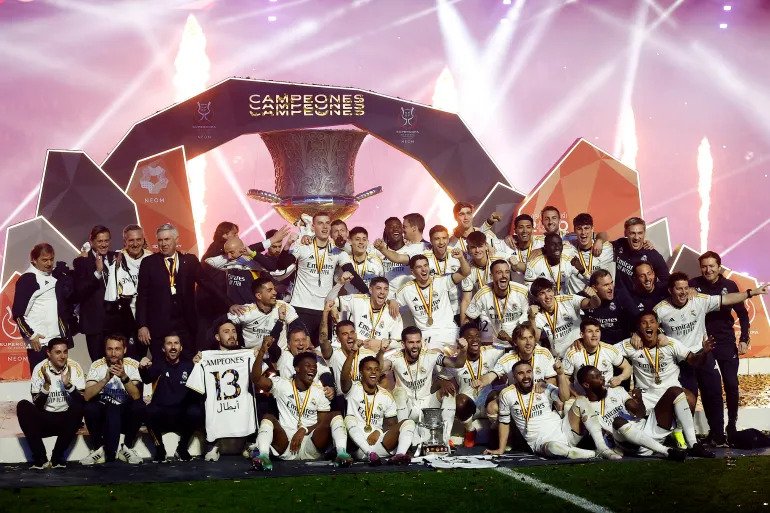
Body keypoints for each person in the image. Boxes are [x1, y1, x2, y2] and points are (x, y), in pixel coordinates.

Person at [654, 272, 767, 446]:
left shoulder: (699, 300)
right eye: (679, 289)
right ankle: (685, 438)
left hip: (704, 354)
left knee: (714, 394)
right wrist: (650, 335)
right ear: (670, 290)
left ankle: (717, 436)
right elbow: (647, 326)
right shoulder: (660, 310)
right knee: (687, 399)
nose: (683, 292)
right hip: (681, 361)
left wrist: (751, 293)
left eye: (686, 288)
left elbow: (727, 299)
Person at [618, 311, 717, 457]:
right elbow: (607, 352)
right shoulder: (631, 345)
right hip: (646, 396)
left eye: (652, 322)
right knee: (626, 415)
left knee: (688, 397)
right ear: (638, 327)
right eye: (644, 323)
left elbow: (694, 361)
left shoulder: (670, 343)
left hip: (672, 393)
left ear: (658, 325)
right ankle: (663, 437)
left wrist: (705, 352)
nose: (648, 326)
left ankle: (684, 436)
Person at [484, 359, 618, 460]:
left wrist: (560, 374)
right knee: (553, 447)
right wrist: (501, 449)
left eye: (529, 372)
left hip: (564, 430)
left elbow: (564, 397)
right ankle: (592, 454)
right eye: (520, 373)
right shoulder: (507, 394)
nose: (526, 376)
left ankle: (602, 448)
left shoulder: (542, 387)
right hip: (541, 442)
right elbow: (504, 422)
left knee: (581, 401)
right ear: (514, 377)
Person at [250, 338, 352, 470]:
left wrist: (304, 429)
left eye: (315, 367)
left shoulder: (320, 391)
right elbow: (256, 379)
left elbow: (321, 423)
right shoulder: (282, 385)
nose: (313, 369)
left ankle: (342, 453)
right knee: (268, 417)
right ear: (297, 368)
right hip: (285, 443)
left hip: (310, 444)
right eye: (308, 366)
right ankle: (263, 456)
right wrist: (262, 351)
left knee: (336, 415)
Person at [690, 251, 751, 439]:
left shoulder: (730, 285)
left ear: (719, 267)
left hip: (725, 342)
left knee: (731, 384)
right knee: (709, 388)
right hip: (703, 344)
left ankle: (731, 425)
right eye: (704, 266)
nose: (708, 270)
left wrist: (744, 339)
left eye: (711, 266)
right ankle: (715, 430)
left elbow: (743, 315)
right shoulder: (693, 285)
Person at [379, 326, 469, 446]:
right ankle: (402, 439)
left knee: (449, 393)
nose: (415, 346)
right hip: (407, 406)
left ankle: (444, 440)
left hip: (427, 404)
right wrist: (381, 352)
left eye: (418, 342)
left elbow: (457, 363)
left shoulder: (430, 355)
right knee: (399, 392)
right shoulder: (395, 358)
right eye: (411, 342)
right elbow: (379, 368)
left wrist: (463, 350)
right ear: (403, 344)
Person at [288, 212, 369, 345]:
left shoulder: (338, 252)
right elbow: (281, 265)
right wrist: (288, 244)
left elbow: (351, 273)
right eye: (320, 223)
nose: (325, 227)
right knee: (301, 350)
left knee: (324, 349)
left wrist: (367, 292)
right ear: (313, 227)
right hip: (301, 307)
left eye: (327, 223)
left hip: (324, 309)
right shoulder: (303, 247)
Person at [185, 318, 260, 462]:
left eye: (234, 331)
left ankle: (250, 442)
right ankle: (212, 444)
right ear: (217, 337)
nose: (231, 335)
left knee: (258, 402)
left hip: (241, 402)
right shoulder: (206, 357)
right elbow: (196, 387)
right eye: (226, 332)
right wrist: (197, 363)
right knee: (200, 404)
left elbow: (260, 377)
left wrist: (259, 357)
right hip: (219, 404)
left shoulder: (247, 355)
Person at [576, 366, 688, 460]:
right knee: (618, 421)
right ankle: (667, 451)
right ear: (586, 385)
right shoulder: (585, 406)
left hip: (647, 430)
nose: (602, 377)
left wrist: (639, 400)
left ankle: (693, 444)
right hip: (630, 444)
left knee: (674, 391)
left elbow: (640, 414)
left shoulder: (617, 391)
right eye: (597, 377)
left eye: (601, 374)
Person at [17, 338, 85, 469]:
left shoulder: (74, 367)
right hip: (45, 418)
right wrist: (46, 386)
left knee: (78, 407)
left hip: (66, 421)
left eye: (65, 352)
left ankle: (57, 458)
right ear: (49, 353)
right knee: (23, 406)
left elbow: (82, 400)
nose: (62, 356)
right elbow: (37, 404)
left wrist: (69, 386)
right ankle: (40, 459)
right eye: (58, 352)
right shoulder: (40, 368)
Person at [136, 223, 200, 360]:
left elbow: (207, 283)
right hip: (159, 327)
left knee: (189, 362)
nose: (163, 244)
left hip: (186, 325)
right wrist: (142, 325)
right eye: (160, 240)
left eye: (167, 239)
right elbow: (142, 297)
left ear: (176, 240)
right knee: (160, 365)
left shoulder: (189, 260)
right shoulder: (148, 263)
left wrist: (229, 304)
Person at [81, 334, 145, 465]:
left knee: (139, 406)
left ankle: (127, 447)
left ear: (124, 350)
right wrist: (105, 379)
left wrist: (123, 376)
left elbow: (136, 395)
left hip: (125, 412)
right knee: (89, 407)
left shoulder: (133, 365)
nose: (113, 353)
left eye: (117, 349)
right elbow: (87, 396)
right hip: (104, 411)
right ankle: (98, 449)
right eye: (110, 349)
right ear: (105, 350)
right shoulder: (97, 365)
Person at [341, 353, 416, 464]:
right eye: (369, 369)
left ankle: (400, 455)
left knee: (408, 422)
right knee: (349, 419)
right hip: (359, 447)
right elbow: (343, 377)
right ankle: (369, 454)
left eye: (376, 369)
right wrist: (352, 353)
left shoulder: (386, 396)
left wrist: (379, 432)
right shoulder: (353, 389)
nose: (373, 372)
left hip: (379, 443)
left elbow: (391, 425)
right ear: (361, 372)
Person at [139, 333, 203, 462]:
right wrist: (142, 368)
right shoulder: (158, 365)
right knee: (148, 410)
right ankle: (160, 450)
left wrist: (201, 364)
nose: (173, 347)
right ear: (163, 348)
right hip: (162, 416)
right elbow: (146, 379)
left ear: (181, 347)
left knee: (196, 411)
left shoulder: (189, 366)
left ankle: (182, 449)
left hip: (182, 416)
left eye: (176, 343)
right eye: (169, 343)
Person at [13, 243, 74, 372]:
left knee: (60, 379)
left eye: (51, 259)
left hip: (57, 341)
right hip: (39, 343)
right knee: (41, 380)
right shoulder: (28, 279)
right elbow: (18, 314)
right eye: (44, 260)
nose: (49, 263)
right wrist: (32, 335)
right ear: (34, 260)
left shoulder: (55, 276)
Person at [378, 225, 462, 317]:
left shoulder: (457, 255)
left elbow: (466, 273)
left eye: (444, 238)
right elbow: (398, 258)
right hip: (435, 310)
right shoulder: (423, 257)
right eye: (437, 239)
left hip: (456, 309)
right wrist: (382, 249)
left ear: (448, 239)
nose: (441, 242)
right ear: (431, 241)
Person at [444, 324, 505, 447]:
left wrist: (508, 339)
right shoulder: (455, 361)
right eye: (469, 337)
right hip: (468, 403)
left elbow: (514, 351)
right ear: (461, 340)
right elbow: (442, 377)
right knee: (459, 401)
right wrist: (443, 382)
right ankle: (470, 430)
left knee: (497, 395)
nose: (475, 340)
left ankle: (494, 431)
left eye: (477, 336)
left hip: (486, 400)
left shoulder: (491, 352)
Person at [395, 252, 470, 349]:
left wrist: (461, 258)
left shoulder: (441, 281)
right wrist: (392, 301)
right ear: (412, 272)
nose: (423, 269)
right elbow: (390, 301)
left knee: (462, 353)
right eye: (419, 267)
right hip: (428, 334)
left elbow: (465, 273)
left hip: (451, 330)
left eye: (425, 265)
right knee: (436, 356)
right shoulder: (406, 290)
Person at [73, 225, 117, 361]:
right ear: (91, 242)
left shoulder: (116, 257)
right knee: (98, 364)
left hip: (116, 322)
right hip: (95, 324)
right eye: (100, 241)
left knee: (117, 363)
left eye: (106, 241)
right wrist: (97, 273)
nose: (104, 245)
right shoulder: (81, 262)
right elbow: (80, 291)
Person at [108, 224, 152, 360]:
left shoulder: (152, 258)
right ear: (124, 241)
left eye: (139, 239)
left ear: (143, 240)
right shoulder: (117, 257)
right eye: (131, 240)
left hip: (149, 316)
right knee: (131, 359)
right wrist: (83, 255)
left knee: (150, 359)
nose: (135, 244)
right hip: (127, 318)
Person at [529, 277, 600, 357]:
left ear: (553, 291)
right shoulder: (537, 313)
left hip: (579, 352)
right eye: (542, 293)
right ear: (536, 298)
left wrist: (594, 296)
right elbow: (535, 339)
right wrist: (531, 318)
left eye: (549, 291)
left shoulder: (568, 300)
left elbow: (594, 304)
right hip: (560, 358)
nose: (547, 296)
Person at [328, 276, 403, 351]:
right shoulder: (357, 301)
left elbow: (398, 343)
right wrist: (334, 306)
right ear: (370, 290)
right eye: (378, 288)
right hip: (355, 351)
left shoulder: (392, 311)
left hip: (378, 354)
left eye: (386, 289)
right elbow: (329, 301)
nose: (382, 292)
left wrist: (380, 343)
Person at [464, 259, 529, 345]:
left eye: (507, 272)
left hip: (519, 344)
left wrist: (514, 341)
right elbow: (468, 319)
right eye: (499, 272)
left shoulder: (522, 292)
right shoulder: (482, 294)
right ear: (491, 276)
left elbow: (529, 321)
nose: (504, 275)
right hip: (493, 345)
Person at [227, 276, 299, 351]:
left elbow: (298, 327)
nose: (275, 292)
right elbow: (222, 323)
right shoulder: (245, 311)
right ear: (259, 296)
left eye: (274, 289)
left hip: (280, 353)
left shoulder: (283, 306)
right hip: (252, 353)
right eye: (269, 290)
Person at [563, 318, 632, 388]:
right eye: (590, 331)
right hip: (582, 394)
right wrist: (575, 393)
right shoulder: (572, 353)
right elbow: (564, 379)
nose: (594, 335)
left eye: (597, 331)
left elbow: (628, 367)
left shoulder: (609, 350)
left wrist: (620, 378)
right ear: (582, 334)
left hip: (607, 392)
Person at [374, 216, 429, 299]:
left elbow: (397, 257)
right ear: (386, 230)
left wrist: (382, 249)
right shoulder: (377, 252)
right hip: (389, 300)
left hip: (410, 299)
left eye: (398, 226)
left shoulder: (413, 249)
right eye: (391, 227)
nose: (395, 229)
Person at [612, 217, 669, 295]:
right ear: (625, 233)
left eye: (640, 233)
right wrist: (599, 240)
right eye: (632, 233)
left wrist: (652, 291)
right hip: (617, 297)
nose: (636, 237)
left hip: (640, 300)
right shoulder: (620, 243)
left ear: (644, 233)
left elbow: (667, 281)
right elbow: (603, 239)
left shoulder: (653, 256)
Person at [583, 269, 636, 344]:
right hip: (596, 345)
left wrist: (637, 333)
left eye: (611, 283)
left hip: (621, 343)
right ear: (594, 288)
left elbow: (637, 316)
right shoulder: (584, 299)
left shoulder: (620, 295)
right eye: (606, 285)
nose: (611, 288)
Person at [567, 213, 615, 294]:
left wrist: (599, 240)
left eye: (586, 228)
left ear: (592, 229)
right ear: (574, 230)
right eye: (579, 229)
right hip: (577, 300)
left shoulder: (606, 249)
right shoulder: (568, 247)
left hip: (600, 299)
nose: (583, 232)